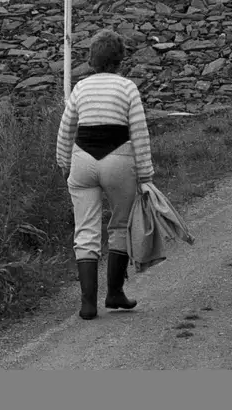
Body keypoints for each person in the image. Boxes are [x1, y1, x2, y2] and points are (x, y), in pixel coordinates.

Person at [56, 29, 156, 319]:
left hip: (82, 159)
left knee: (85, 231)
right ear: (120, 60)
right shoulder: (127, 88)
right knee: (120, 225)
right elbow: (139, 133)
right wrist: (146, 174)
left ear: (91, 60)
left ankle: (88, 304)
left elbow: (66, 130)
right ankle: (114, 293)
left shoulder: (80, 88)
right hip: (119, 160)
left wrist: (64, 163)